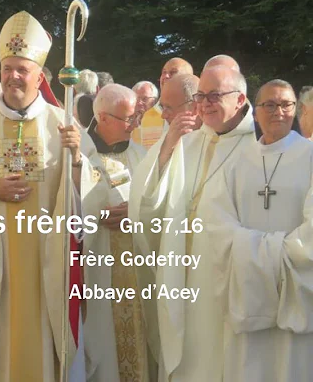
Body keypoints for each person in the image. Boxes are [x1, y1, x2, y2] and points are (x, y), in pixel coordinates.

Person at [0, 10, 105, 382]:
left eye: (22, 69)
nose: (13, 76)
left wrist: (77, 159)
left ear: (40, 75)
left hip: (49, 266)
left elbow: (94, 193)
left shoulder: (63, 126)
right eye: (7, 68)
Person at [128, 66, 256, 382]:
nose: (205, 104)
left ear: (239, 99)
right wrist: (169, 145)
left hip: (225, 279)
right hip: (181, 273)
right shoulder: (186, 140)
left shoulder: (258, 145)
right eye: (201, 97)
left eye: (215, 96)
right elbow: (144, 203)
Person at [201, 79, 313, 381]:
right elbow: (215, 216)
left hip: (296, 287)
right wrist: (258, 255)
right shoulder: (237, 160)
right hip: (246, 290)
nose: (278, 111)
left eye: (286, 104)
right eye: (270, 105)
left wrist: (278, 255)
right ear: (256, 110)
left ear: (296, 110)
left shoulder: (311, 156)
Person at [82, 84, 150, 382]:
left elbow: (160, 205)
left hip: (135, 276)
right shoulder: (78, 152)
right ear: (103, 117)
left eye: (137, 117)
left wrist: (137, 213)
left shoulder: (142, 155)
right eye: (128, 119)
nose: (135, 125)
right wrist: (97, 211)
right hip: (95, 271)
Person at [131, 57, 194, 149]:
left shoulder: (201, 113)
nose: (166, 76)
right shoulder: (147, 117)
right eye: (164, 72)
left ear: (188, 78)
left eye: (173, 72)